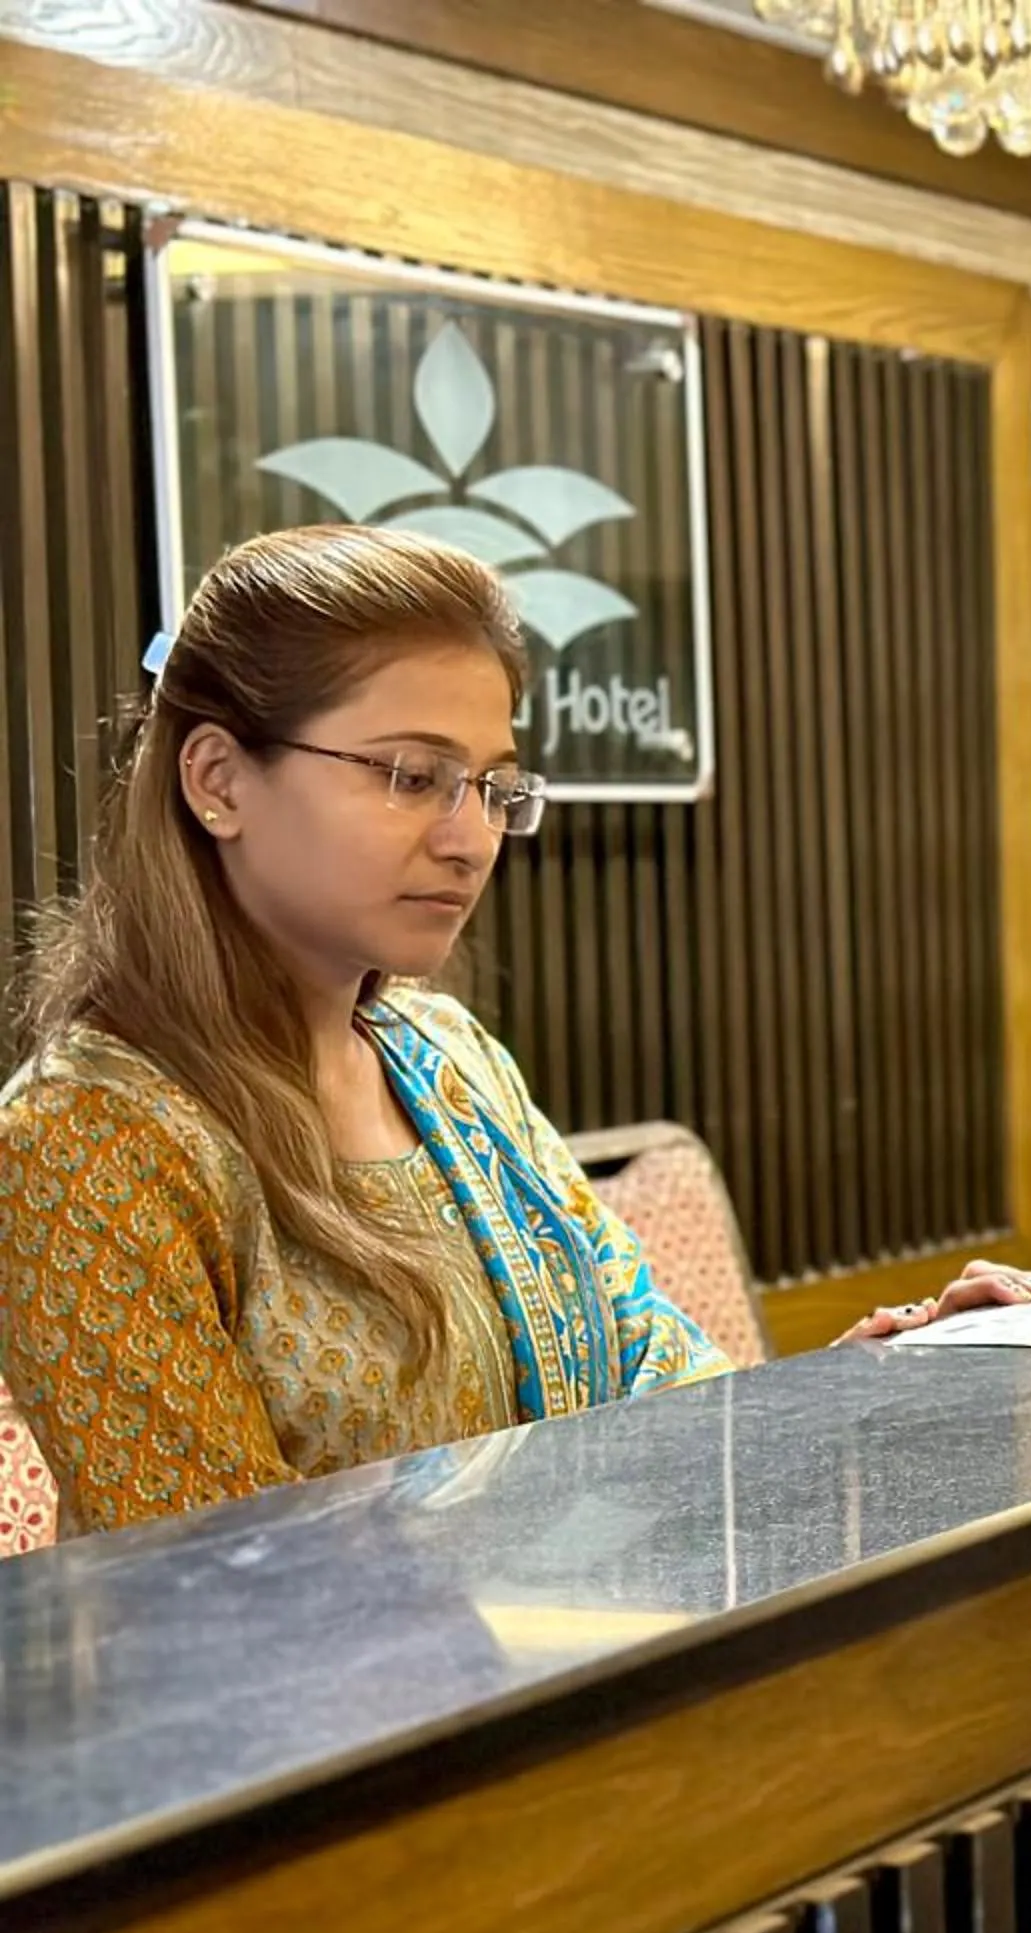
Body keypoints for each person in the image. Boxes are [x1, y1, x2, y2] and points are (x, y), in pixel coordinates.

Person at [0, 524, 731, 1536]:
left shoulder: (451, 1059)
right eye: (411, 776)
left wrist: (889, 1366)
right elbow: (208, 1581)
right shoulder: (86, 1143)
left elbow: (650, 1358)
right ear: (218, 781)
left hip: (569, 1662)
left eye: (491, 787)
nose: (469, 839)